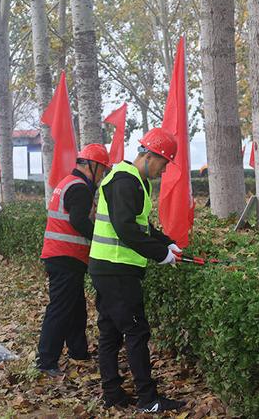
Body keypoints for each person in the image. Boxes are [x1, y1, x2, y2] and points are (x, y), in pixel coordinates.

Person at [88, 128, 185, 412]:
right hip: (117, 268)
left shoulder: (135, 181)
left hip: (109, 267)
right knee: (136, 331)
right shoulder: (124, 181)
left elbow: (141, 226)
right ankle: (148, 399)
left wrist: (167, 243)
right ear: (150, 155)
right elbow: (126, 229)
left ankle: (113, 393)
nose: (164, 170)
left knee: (110, 332)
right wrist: (160, 255)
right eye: (164, 164)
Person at [36, 144, 111, 377]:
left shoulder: (68, 182)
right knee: (59, 309)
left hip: (63, 257)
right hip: (65, 256)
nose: (102, 176)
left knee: (75, 307)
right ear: (92, 166)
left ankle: (78, 351)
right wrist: (101, 238)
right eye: (102, 171)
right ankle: (46, 360)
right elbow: (79, 221)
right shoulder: (80, 189)